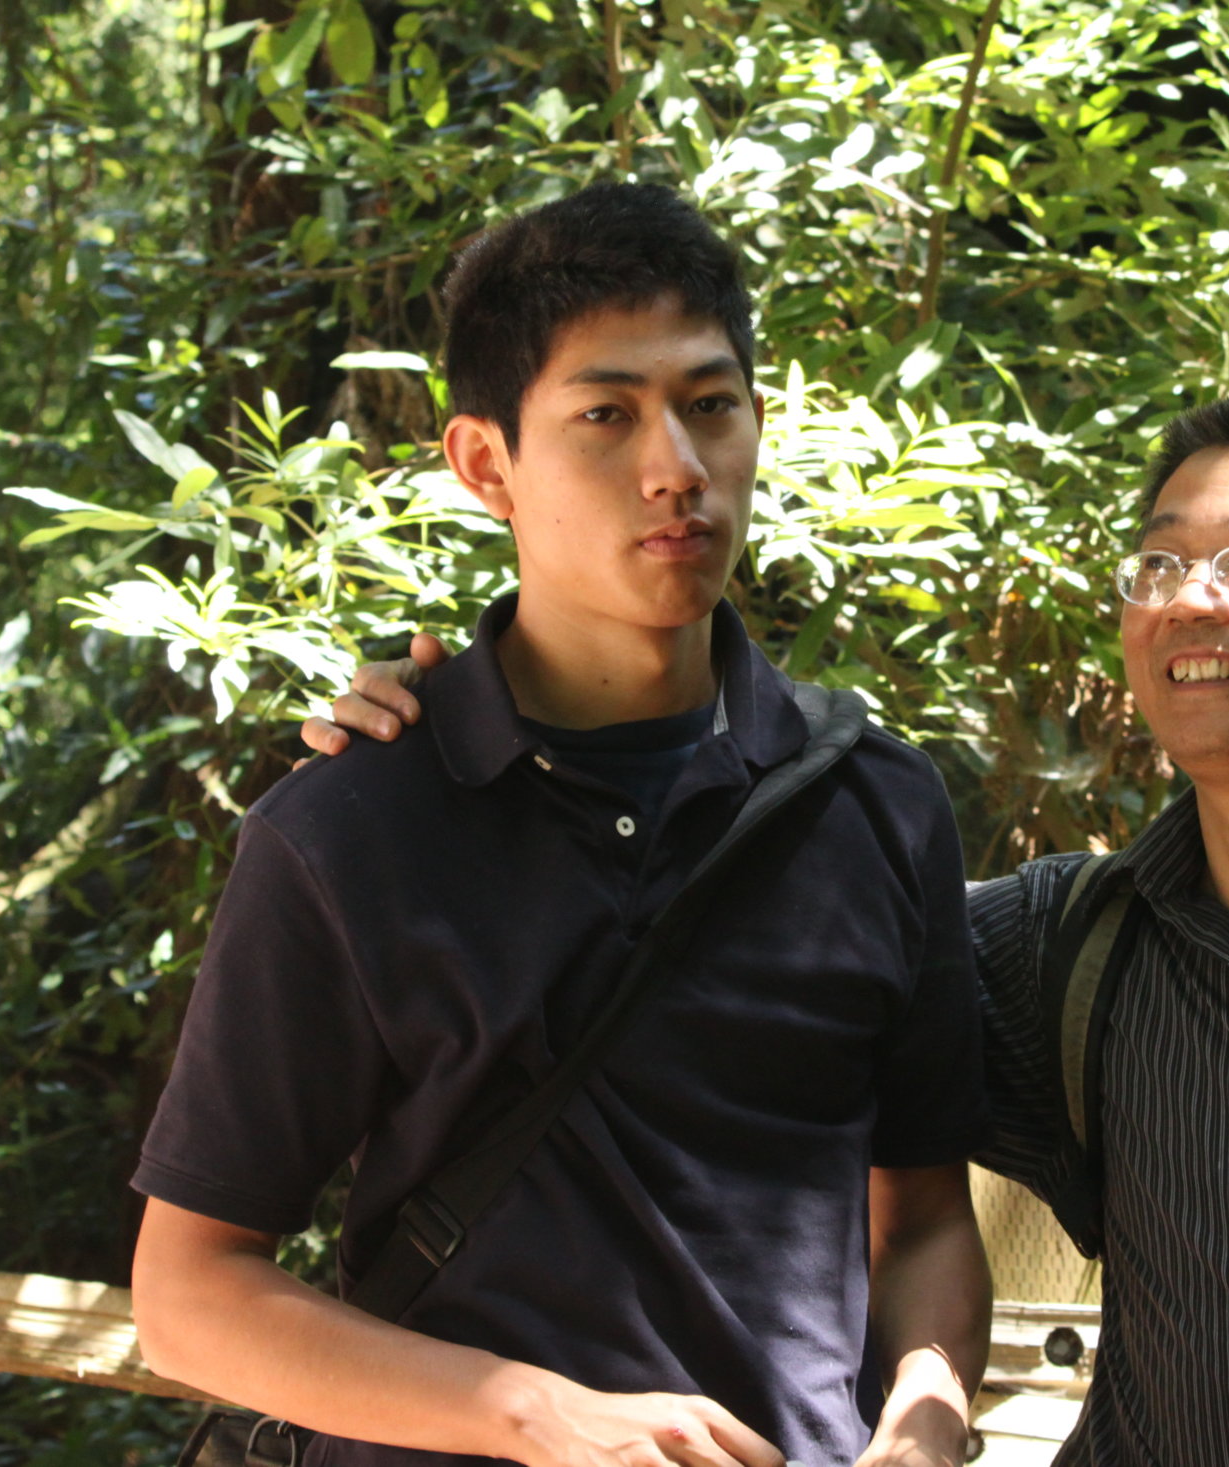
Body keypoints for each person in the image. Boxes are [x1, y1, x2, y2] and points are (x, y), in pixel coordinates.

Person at [312, 390, 1229, 1464]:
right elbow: (739, 969)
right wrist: (470, 743)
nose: (1187, 600)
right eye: (1158, 563)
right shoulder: (1069, 946)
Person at [132, 181, 992, 1467]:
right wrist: (534, 1415)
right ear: (487, 464)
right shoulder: (355, 823)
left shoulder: (874, 802)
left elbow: (921, 1216)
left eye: (711, 405)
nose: (676, 468)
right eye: (606, 414)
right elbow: (188, 1295)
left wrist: (927, 1418)